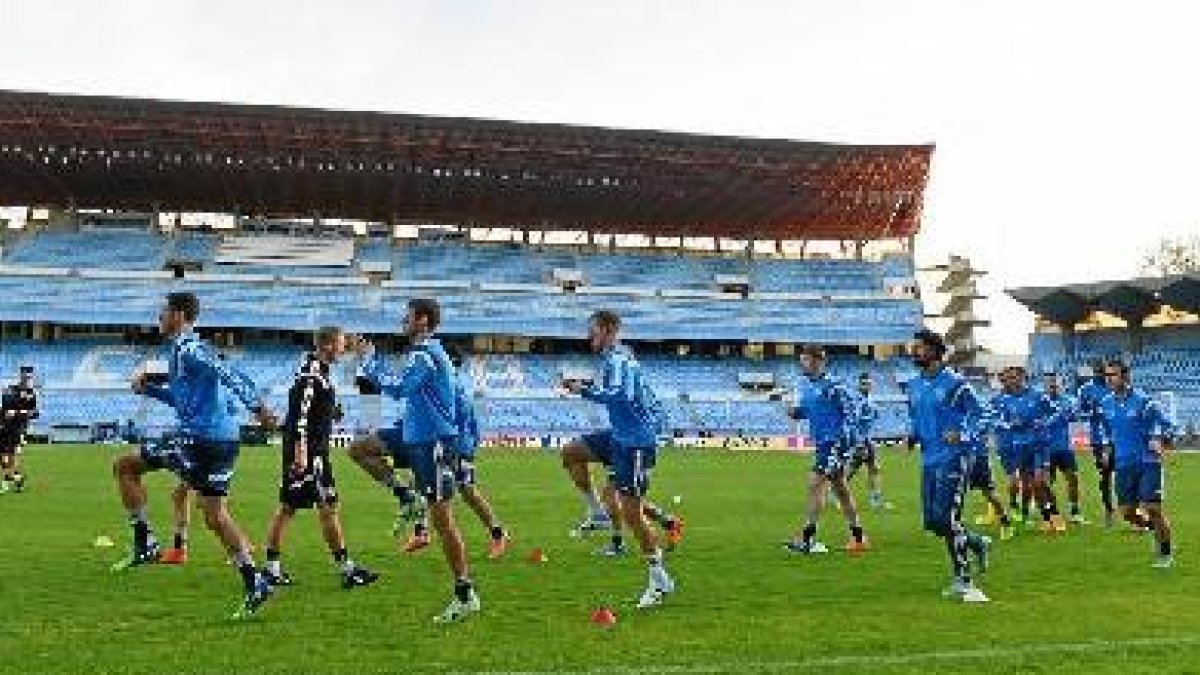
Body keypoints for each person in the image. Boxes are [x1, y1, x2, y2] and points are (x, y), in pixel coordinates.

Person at [111, 292, 279, 619]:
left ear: (179, 314)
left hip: (198, 439)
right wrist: (148, 389)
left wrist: (259, 408)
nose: (159, 317)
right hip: (224, 441)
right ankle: (254, 581)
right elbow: (182, 400)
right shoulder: (181, 352)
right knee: (214, 513)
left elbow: (227, 372)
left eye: (163, 311)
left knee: (125, 466)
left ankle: (145, 542)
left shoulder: (189, 347)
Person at [349, 298, 480, 623]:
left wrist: (369, 361)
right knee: (360, 449)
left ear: (422, 320)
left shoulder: (426, 354)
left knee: (443, 521)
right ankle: (406, 496)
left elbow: (399, 389)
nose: (401, 322)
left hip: (433, 443)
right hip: (414, 437)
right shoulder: (424, 354)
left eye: (406, 317)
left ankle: (465, 594)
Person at [564, 310, 676, 609]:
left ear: (608, 330)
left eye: (593, 331)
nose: (589, 336)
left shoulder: (619, 360)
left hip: (636, 443)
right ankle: (597, 512)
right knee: (572, 452)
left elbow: (620, 395)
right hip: (620, 436)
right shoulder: (615, 359)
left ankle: (659, 578)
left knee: (631, 513)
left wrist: (583, 389)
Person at [261, 326, 379, 589]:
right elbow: (301, 415)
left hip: (307, 450)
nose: (343, 348)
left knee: (288, 508)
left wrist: (330, 413)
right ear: (326, 345)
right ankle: (347, 570)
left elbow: (307, 410)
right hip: (310, 454)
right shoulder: (311, 375)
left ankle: (272, 569)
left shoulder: (317, 372)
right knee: (328, 507)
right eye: (340, 343)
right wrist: (301, 451)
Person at [402, 346, 510, 559]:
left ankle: (498, 533)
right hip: (445, 444)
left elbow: (461, 420)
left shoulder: (453, 386)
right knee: (421, 482)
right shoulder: (446, 384)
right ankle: (421, 532)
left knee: (466, 490)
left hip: (457, 447)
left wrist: (461, 450)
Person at [906, 329, 991, 603]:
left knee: (948, 518)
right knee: (932, 521)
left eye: (919, 347)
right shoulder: (914, 385)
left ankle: (964, 581)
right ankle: (976, 542)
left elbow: (982, 416)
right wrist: (913, 434)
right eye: (914, 347)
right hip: (929, 458)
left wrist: (963, 435)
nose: (914, 351)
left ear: (934, 350)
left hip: (955, 457)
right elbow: (918, 417)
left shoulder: (956, 383)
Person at [783, 345, 869, 555]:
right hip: (822, 443)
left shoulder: (834, 386)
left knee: (815, 482)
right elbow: (806, 412)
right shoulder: (807, 387)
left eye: (806, 360)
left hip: (835, 443)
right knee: (840, 489)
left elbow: (852, 413)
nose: (803, 364)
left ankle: (808, 538)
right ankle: (858, 536)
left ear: (819, 361)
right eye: (802, 360)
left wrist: (851, 441)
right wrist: (794, 412)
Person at [1099, 359, 1177, 568]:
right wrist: (1107, 446)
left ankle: (1165, 552)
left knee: (1152, 507)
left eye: (1113, 375)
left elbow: (1168, 425)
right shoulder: (1106, 403)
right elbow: (1105, 428)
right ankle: (1155, 529)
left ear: (1125, 377)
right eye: (1106, 376)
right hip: (1123, 465)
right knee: (1127, 512)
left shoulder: (1144, 401)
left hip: (1148, 462)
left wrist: (1158, 439)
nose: (1109, 379)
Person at [991, 367, 1063, 533]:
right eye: (1007, 378)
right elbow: (999, 420)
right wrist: (1009, 425)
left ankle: (1055, 515)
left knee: (1040, 482)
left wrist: (1044, 422)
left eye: (1014, 377)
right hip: (1020, 447)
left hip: (1039, 445)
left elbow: (1056, 412)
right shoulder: (1005, 400)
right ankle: (1046, 518)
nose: (1010, 381)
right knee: (1031, 485)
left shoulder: (1037, 396)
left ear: (1022, 377)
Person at [1040, 372, 1085, 524]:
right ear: (1045, 386)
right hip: (1047, 449)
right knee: (1046, 483)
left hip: (1066, 449)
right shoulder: (1040, 403)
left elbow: (1077, 421)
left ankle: (1075, 510)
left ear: (1060, 384)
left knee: (1073, 478)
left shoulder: (1070, 401)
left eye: (1055, 383)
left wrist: (1080, 443)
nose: (1052, 386)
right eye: (1049, 384)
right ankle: (1052, 511)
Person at [1077, 360, 1116, 526]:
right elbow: (1078, 412)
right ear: (1093, 372)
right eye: (1099, 371)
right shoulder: (1085, 389)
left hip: (1119, 437)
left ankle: (1133, 509)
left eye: (1104, 372)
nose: (1102, 374)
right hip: (1098, 440)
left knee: (1125, 472)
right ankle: (1108, 510)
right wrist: (1080, 441)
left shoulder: (1114, 386)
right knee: (1105, 474)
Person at [846, 373, 892, 510]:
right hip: (859, 441)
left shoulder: (870, 401)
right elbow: (853, 422)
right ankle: (835, 490)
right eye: (864, 383)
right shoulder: (856, 402)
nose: (867, 386)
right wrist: (858, 442)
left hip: (868, 440)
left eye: (869, 383)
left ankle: (875, 499)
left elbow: (872, 418)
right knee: (853, 469)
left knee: (874, 468)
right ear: (859, 385)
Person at [0, 365, 38, 494]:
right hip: (5, 426)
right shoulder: (11, 390)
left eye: (29, 376)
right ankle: (16, 478)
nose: (26, 378)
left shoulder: (31, 394)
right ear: (20, 376)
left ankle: (7, 482)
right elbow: (4, 408)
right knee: (4, 456)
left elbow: (34, 413)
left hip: (19, 427)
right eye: (24, 375)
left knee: (14, 454)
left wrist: (17, 412)